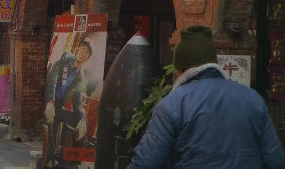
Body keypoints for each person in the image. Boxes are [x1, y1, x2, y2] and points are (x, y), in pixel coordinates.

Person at [128, 25, 285, 169]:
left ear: (179, 70)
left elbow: (146, 164)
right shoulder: (253, 99)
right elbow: (275, 161)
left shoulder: (172, 106)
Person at [43, 38, 93, 166]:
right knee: (49, 125)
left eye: (87, 51)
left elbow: (77, 104)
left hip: (58, 107)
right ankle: (50, 157)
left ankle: (72, 162)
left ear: (88, 57)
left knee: (80, 124)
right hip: (48, 101)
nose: (83, 52)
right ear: (78, 49)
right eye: (82, 48)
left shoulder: (81, 78)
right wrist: (50, 101)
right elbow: (53, 79)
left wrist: (83, 119)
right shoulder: (65, 58)